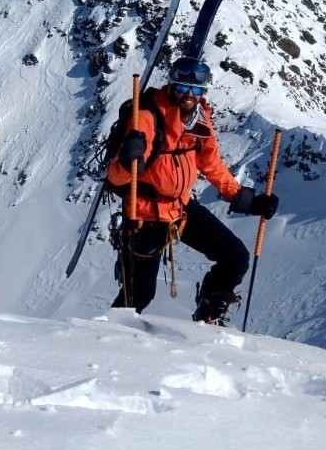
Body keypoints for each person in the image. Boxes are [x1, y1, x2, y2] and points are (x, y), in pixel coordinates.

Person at [105, 56, 279, 324]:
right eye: (183, 87)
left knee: (235, 258)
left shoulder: (200, 119)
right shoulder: (148, 119)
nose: (189, 94)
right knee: (138, 295)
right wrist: (128, 159)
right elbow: (116, 178)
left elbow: (211, 163)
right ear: (171, 86)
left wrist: (244, 199)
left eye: (196, 89)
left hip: (180, 208)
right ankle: (101, 341)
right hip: (144, 215)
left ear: (203, 92)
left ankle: (207, 320)